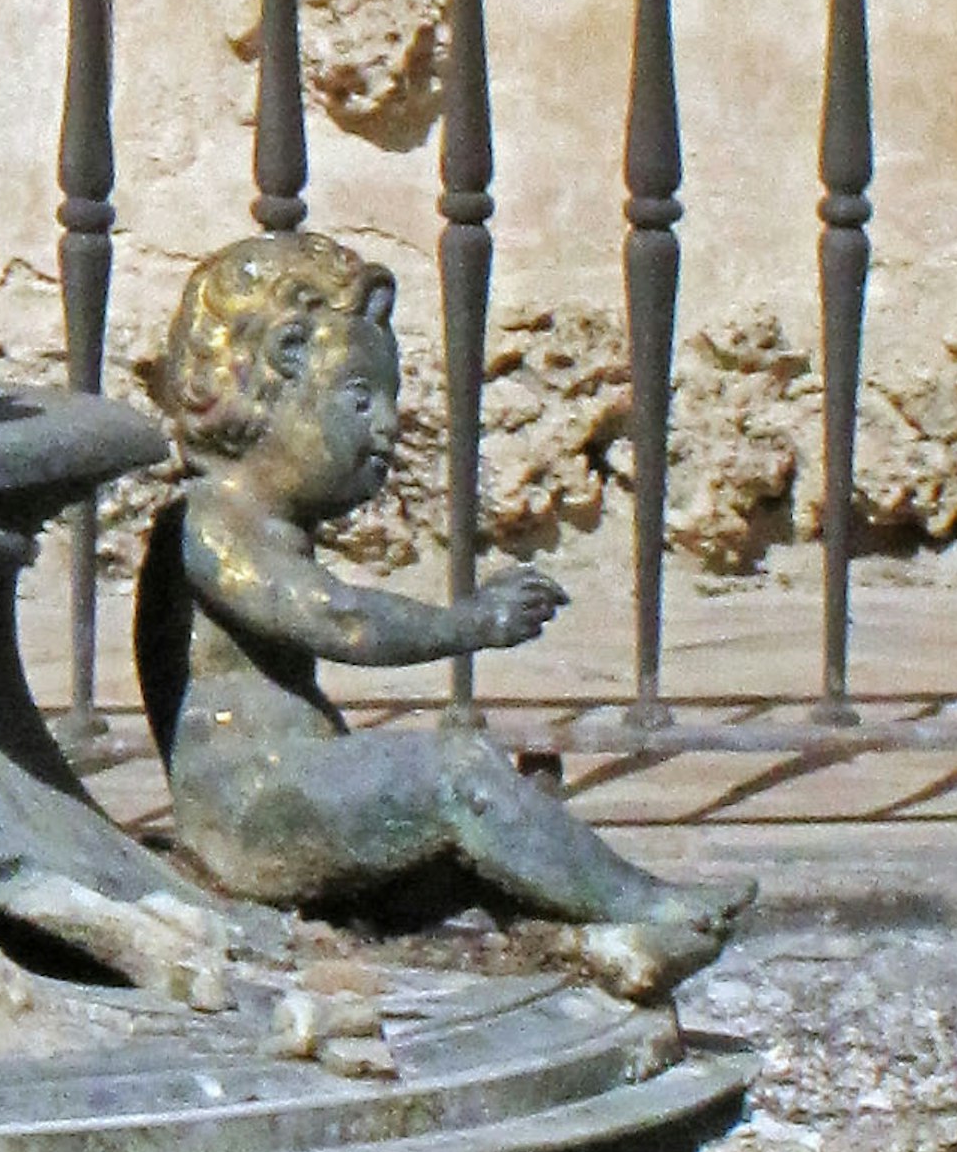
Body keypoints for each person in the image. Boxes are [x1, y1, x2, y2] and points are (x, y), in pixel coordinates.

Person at [135, 232, 742, 1004]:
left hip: (295, 790)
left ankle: (607, 943)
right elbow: (337, 620)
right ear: (266, 385)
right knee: (453, 773)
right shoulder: (207, 525)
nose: (386, 425)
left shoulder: (253, 526)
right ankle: (652, 906)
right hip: (250, 817)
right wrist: (473, 622)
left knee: (479, 838)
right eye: (358, 400)